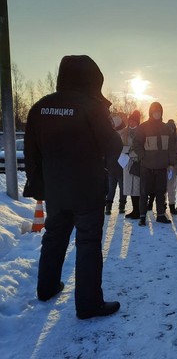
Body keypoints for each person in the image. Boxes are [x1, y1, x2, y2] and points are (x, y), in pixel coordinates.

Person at [23, 55, 121, 319]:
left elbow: (30, 153)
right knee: (88, 242)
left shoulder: (40, 107)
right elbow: (112, 145)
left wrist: (38, 184)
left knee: (54, 237)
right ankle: (88, 304)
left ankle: (47, 288)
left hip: (55, 189)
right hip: (87, 187)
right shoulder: (91, 106)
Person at [133, 102, 176, 226]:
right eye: (154, 110)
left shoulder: (166, 128)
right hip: (146, 166)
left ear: (161, 112)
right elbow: (136, 144)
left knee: (160, 192)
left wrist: (171, 163)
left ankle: (161, 215)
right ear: (150, 112)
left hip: (162, 166)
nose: (157, 113)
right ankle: (142, 216)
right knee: (144, 192)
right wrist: (143, 156)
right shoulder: (143, 127)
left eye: (159, 110)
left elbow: (172, 147)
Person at [105, 113, 127, 215]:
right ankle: (108, 206)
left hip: (122, 164)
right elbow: (106, 150)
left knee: (123, 187)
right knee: (111, 187)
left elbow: (128, 147)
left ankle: (121, 206)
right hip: (112, 164)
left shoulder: (125, 133)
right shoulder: (110, 134)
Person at [121, 110, 141, 219]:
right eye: (130, 121)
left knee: (137, 186)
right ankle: (134, 209)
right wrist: (127, 151)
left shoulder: (141, 131)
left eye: (133, 121)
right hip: (126, 161)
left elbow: (142, 147)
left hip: (137, 161)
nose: (131, 123)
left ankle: (138, 210)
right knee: (130, 187)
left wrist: (132, 153)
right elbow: (120, 145)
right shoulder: (124, 132)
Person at [166, 119, 177, 215]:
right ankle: (162, 205)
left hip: (173, 166)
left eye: (172, 128)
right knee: (162, 187)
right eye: (168, 128)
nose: (170, 130)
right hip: (163, 165)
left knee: (172, 187)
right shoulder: (163, 139)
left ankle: (172, 205)